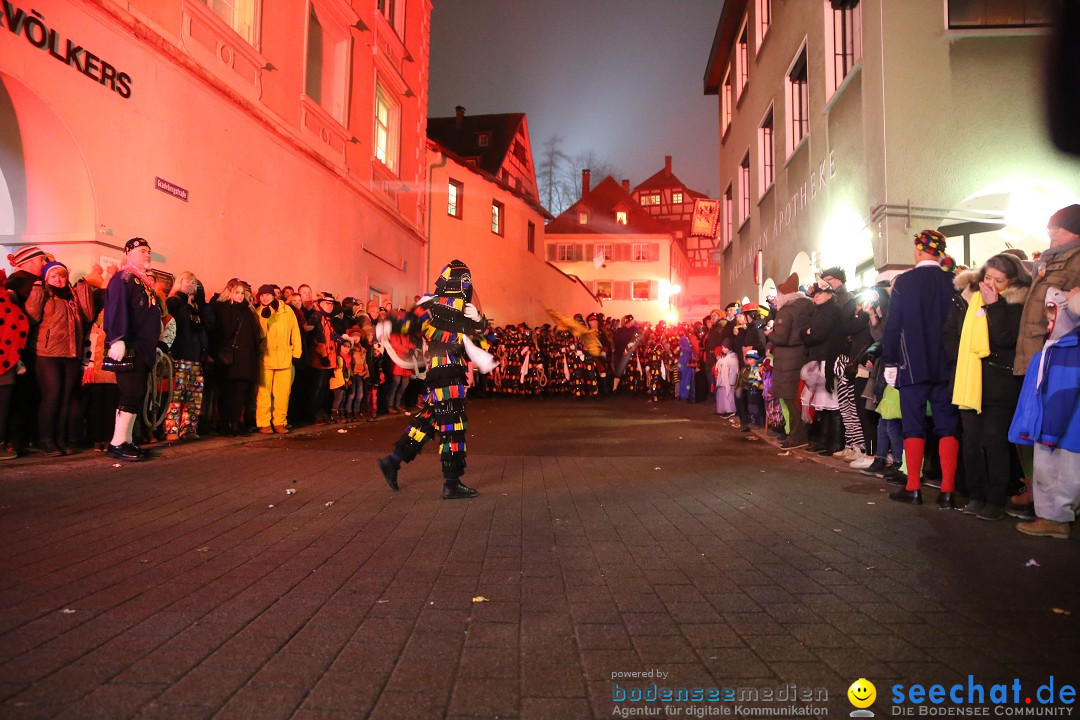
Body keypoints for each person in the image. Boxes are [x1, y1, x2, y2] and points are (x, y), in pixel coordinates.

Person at [377, 260, 494, 499]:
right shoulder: (433, 305)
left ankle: (393, 460)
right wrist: (389, 326)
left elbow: (483, 342)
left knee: (428, 420)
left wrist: (479, 320)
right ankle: (451, 482)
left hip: (446, 372)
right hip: (446, 373)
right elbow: (408, 323)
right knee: (453, 425)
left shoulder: (454, 308)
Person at [881, 229, 961, 508]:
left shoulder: (905, 281)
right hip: (948, 365)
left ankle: (913, 486)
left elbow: (894, 325)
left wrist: (889, 360)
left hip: (911, 364)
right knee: (947, 425)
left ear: (917, 250)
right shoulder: (953, 280)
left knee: (913, 426)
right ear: (940, 252)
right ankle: (948, 491)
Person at [951, 254, 1031, 520]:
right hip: (970, 379)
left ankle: (996, 500)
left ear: (1011, 281)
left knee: (994, 442)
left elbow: (1005, 339)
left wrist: (994, 305)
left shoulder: (1017, 303)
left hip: (1000, 383)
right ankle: (976, 494)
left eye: (999, 280)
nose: (991, 284)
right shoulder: (969, 298)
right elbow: (954, 335)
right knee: (972, 441)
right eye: (988, 277)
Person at [1009, 287, 1080, 539]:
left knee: (1057, 475)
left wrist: (1049, 431)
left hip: (1059, 431)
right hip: (1055, 428)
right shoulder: (1057, 348)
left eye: (1052, 309)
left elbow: (1062, 395)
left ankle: (1054, 520)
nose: (1047, 316)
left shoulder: (1067, 350)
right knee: (1055, 473)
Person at [24, 261, 95, 455]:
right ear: (47, 278)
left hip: (71, 353)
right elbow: (31, 316)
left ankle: (60, 439)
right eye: (54, 276)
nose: (59, 279)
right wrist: (38, 290)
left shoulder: (71, 296)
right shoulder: (46, 294)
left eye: (62, 275)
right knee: (52, 395)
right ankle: (46, 439)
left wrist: (83, 290)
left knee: (65, 398)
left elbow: (88, 315)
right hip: (47, 354)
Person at [104, 238, 163, 461]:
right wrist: (117, 338)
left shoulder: (141, 281)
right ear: (129, 253)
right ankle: (117, 442)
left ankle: (126, 441)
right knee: (132, 392)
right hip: (130, 346)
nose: (147, 255)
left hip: (143, 347)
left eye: (148, 251)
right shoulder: (124, 278)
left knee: (137, 394)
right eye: (142, 251)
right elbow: (116, 308)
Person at [1014, 205, 1080, 376]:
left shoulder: (1076, 260)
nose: (1052, 231)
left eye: (1059, 226)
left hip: (1062, 358)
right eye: (1051, 227)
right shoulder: (1048, 260)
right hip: (1036, 355)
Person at [164, 272, 211, 441]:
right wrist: (188, 306)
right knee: (176, 395)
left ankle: (189, 427)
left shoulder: (197, 306)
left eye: (194, 283)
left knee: (194, 395)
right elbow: (175, 323)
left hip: (196, 356)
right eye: (188, 281)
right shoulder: (174, 302)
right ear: (180, 282)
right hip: (179, 356)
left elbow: (206, 326)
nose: (192, 285)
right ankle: (171, 429)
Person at [769, 273, 813, 448]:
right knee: (799, 398)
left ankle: (797, 436)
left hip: (788, 361)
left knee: (790, 398)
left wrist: (769, 334)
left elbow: (781, 338)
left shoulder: (787, 311)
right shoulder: (807, 307)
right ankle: (802, 434)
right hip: (801, 356)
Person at [211, 279, 260, 436]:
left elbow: (254, 335)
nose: (240, 296)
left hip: (245, 359)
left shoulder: (247, 310)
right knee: (227, 393)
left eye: (242, 293)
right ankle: (225, 424)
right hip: (229, 360)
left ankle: (235, 423)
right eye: (237, 292)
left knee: (240, 394)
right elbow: (224, 331)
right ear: (230, 292)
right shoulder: (223, 308)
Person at [255, 283, 301, 433]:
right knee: (264, 393)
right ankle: (264, 423)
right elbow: (260, 336)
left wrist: (296, 352)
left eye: (267, 294)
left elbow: (295, 331)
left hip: (284, 357)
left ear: (273, 295)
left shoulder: (286, 310)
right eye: (262, 295)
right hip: (266, 358)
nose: (265, 297)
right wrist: (263, 317)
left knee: (282, 392)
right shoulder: (258, 312)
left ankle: (280, 421)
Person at [0, 270, 30, 460]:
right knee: (3, 406)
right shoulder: (7, 301)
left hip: (7, 360)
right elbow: (19, 324)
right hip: (6, 361)